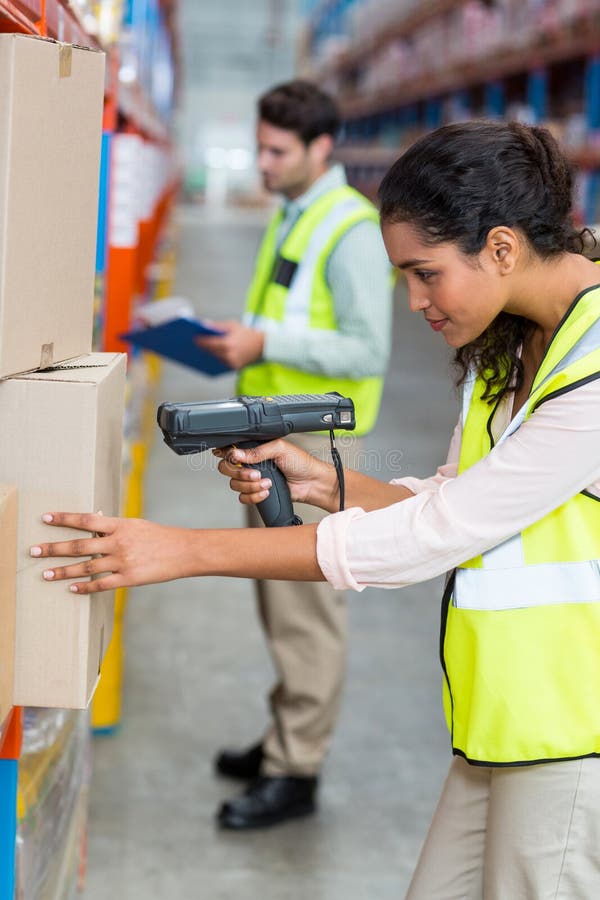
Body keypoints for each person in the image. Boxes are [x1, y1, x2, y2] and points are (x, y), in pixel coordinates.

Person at [33, 120, 600, 897]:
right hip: (505, 722)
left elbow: (435, 535)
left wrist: (181, 552)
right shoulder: (521, 344)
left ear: (501, 248)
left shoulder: (592, 374)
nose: (414, 300)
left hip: (574, 735)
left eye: (425, 273)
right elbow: (461, 498)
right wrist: (321, 483)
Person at [191, 79, 393, 828]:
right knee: (281, 599)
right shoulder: (296, 213)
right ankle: (286, 736)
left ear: (320, 147)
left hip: (314, 446)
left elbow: (368, 349)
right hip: (270, 434)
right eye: (259, 147)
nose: (262, 163)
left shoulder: (351, 229)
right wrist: (238, 332)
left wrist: (266, 342)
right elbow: (284, 311)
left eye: (277, 151)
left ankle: (297, 768)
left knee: (307, 609)